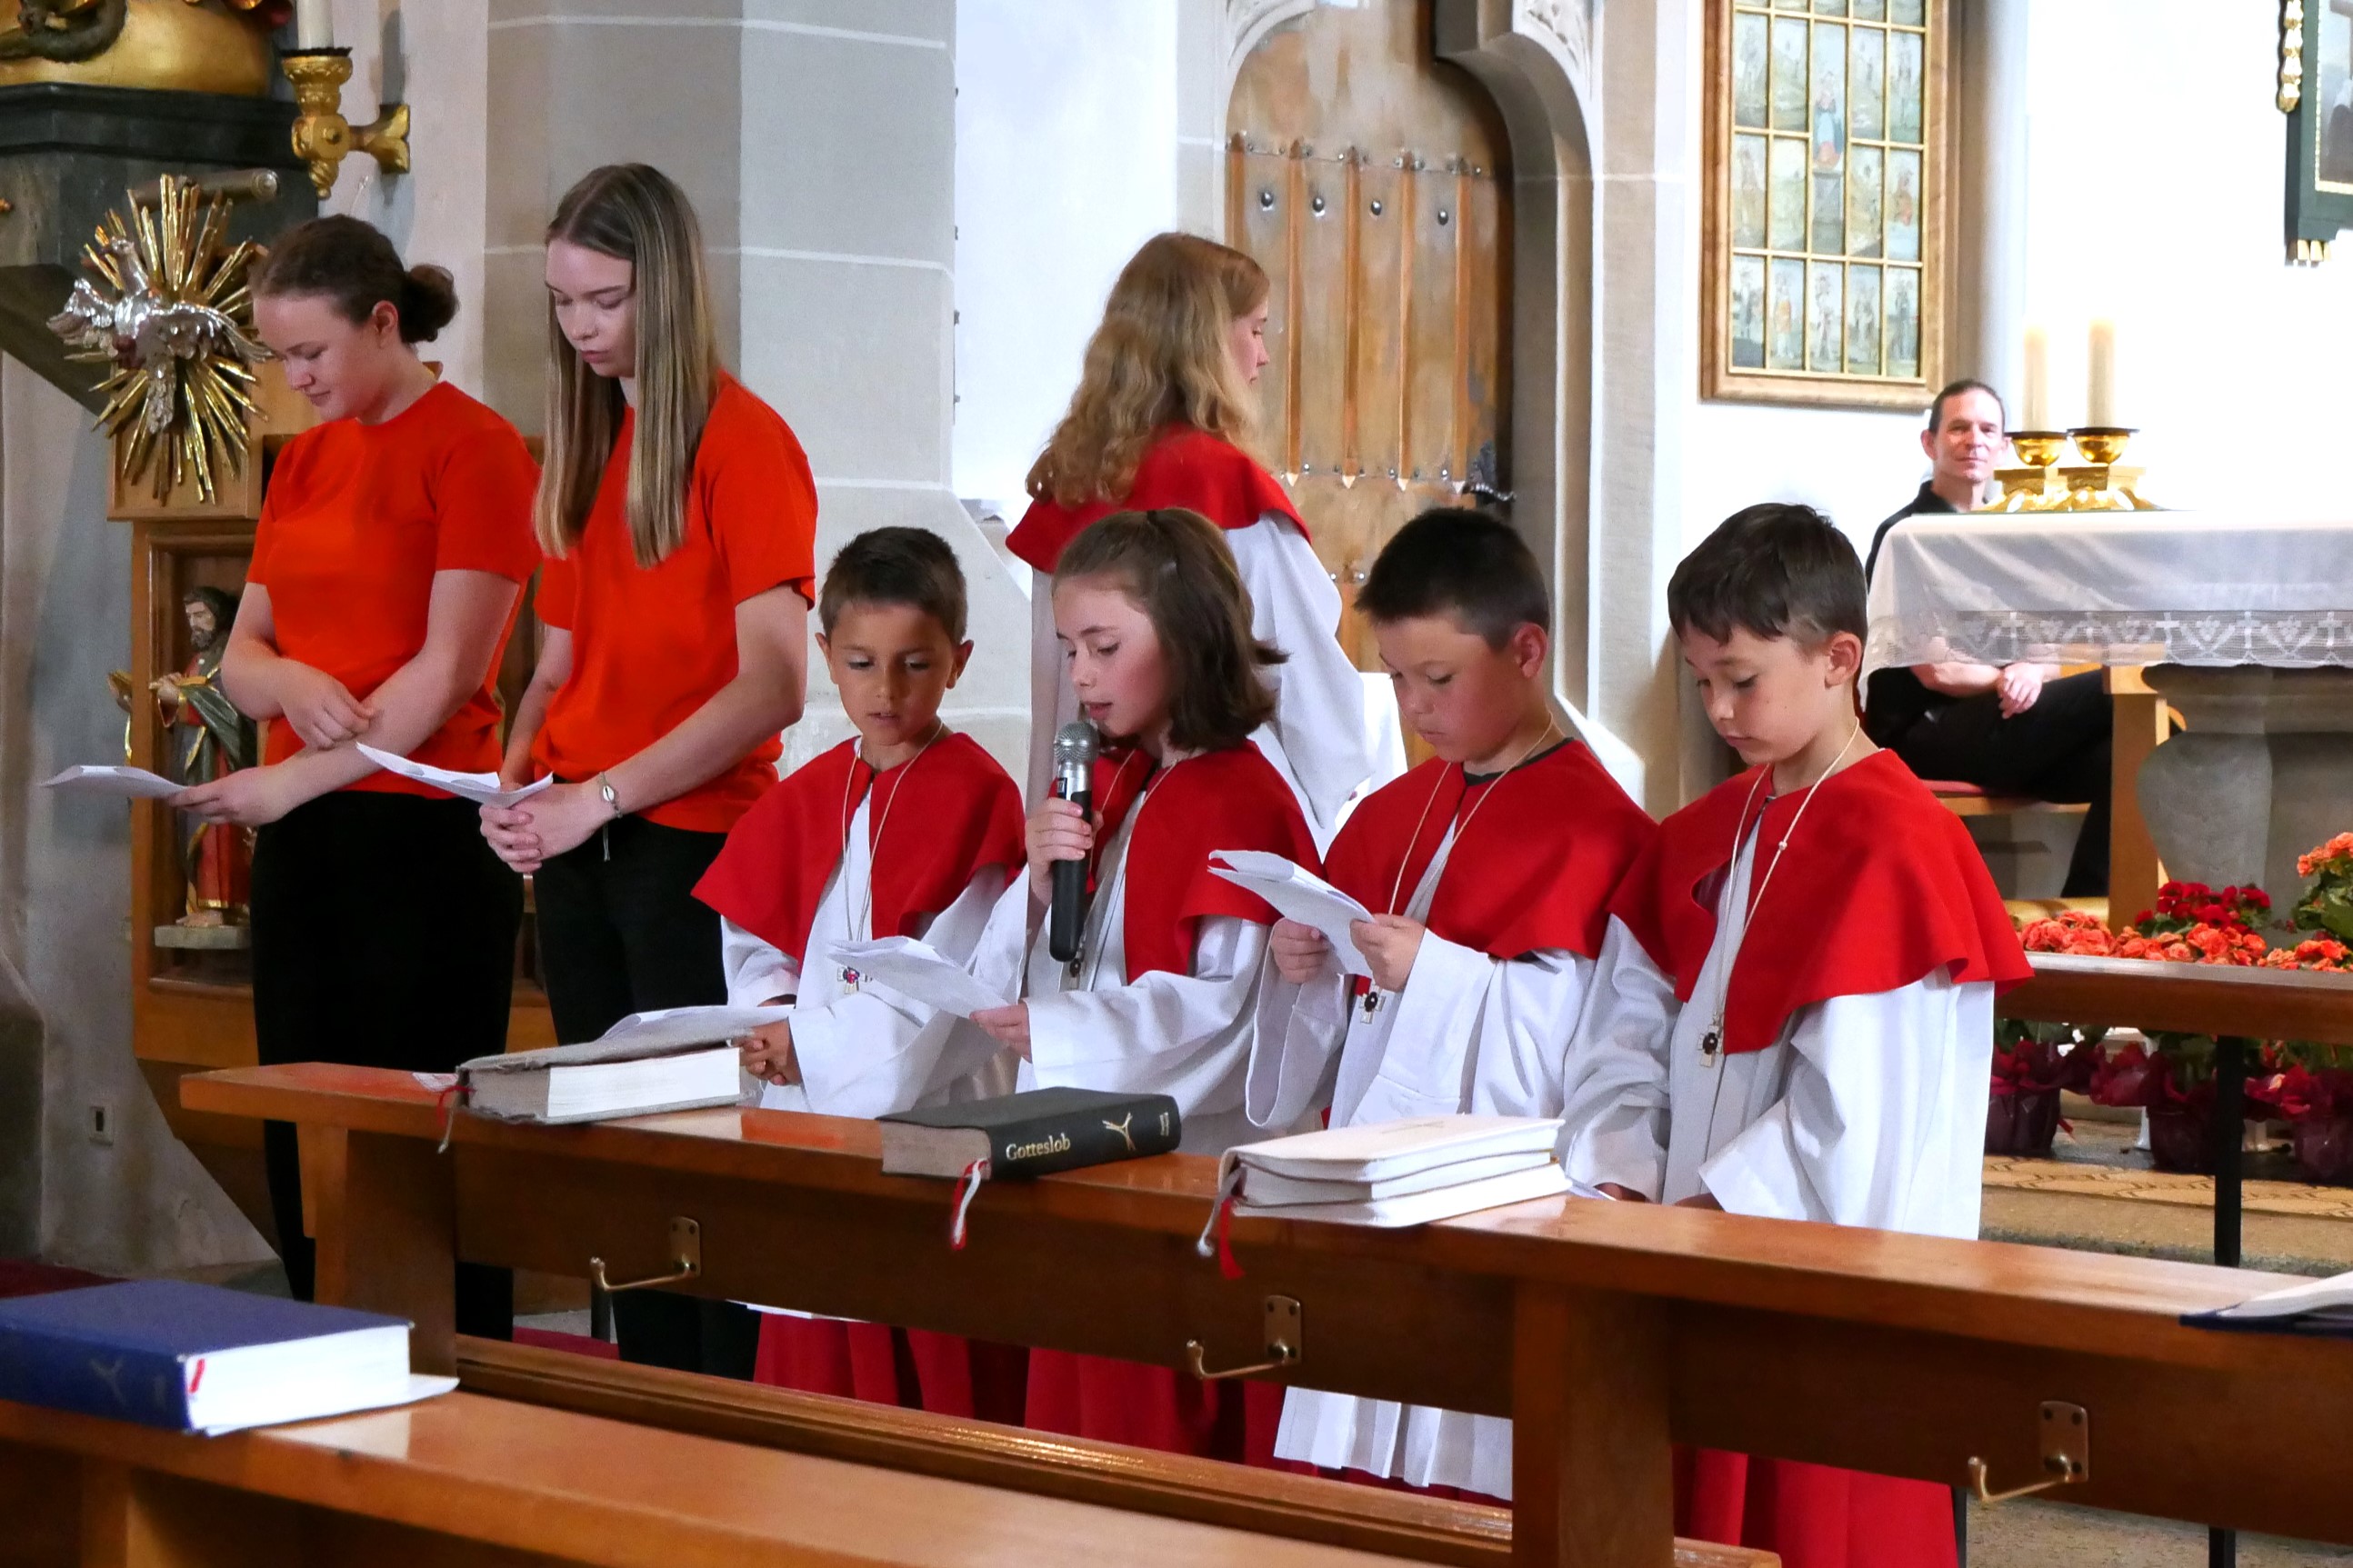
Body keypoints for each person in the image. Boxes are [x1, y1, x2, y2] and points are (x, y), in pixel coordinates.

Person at [1559, 503, 2029, 1568]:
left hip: (1813, 1287)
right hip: (1680, 1259)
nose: (1718, 709)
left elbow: (1859, 1119)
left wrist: (1709, 1215)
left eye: (1740, 678)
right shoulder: (1703, 834)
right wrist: (1627, 1176)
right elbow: (1623, 1032)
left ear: (1838, 660)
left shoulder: (1895, 846)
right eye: (1698, 682)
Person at [173, 215, 541, 1338]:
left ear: (385, 324)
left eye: (312, 355)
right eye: (280, 358)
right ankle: (316, 1343)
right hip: (311, 838)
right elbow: (238, 655)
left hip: (421, 836)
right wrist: (285, 679)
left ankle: (463, 1370)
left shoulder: (475, 446)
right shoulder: (305, 459)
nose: (294, 379)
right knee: (301, 1115)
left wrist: (290, 781)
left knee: (420, 1130)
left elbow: (451, 668)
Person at [479, 163, 815, 1377]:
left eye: (606, 302)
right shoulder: (589, 446)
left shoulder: (745, 441)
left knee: (695, 1160)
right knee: (611, 1154)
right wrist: (516, 776)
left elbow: (774, 684)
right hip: (579, 843)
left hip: (693, 848)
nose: (582, 330)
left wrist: (599, 794)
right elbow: (558, 662)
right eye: (564, 304)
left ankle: (722, 1411)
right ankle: (646, 1409)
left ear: (666, 291)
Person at [1262, 509, 1657, 1502]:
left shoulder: (1590, 825)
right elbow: (1348, 1029)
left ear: (1525, 651)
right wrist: (1309, 957)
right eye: (1394, 679)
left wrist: (1433, 973)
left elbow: (1573, 1049)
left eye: (1436, 679)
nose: (1413, 707)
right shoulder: (1400, 808)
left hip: (1494, 1204)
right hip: (1374, 1193)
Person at [966, 506, 1328, 1460]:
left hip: (1181, 1183)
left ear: (1189, 635)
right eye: (1066, 647)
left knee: (1149, 1438)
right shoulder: (1124, 784)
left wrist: (1065, 1030)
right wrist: (1039, 891)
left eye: (1103, 645)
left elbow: (1226, 1009)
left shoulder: (1238, 796)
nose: (1077, 674)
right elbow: (1076, 954)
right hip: (1091, 1152)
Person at [692, 525, 1026, 1421]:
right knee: (814, 1365)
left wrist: (801, 1041)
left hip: (927, 1129)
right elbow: (758, 939)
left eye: (913, 664)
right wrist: (766, 1015)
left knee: (918, 1383)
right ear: (825, 659)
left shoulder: (975, 799)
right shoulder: (808, 794)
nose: (884, 690)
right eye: (860, 661)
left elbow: (946, 987)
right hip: (811, 1110)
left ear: (956, 661)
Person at [1006, 232, 1370, 845]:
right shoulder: (1228, 486)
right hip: (1217, 818)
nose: (1263, 355)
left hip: (1089, 819)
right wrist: (1322, 840)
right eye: (1255, 329)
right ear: (1205, 340)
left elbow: (1055, 708)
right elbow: (1306, 695)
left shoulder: (1069, 488)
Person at [1862, 378, 2112, 897]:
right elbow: (1936, 670)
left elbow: (2047, 651)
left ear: (2003, 448)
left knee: (2140, 757)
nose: (1973, 440)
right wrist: (2008, 675)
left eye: (1987, 429)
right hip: (1925, 731)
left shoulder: (2014, 535)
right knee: (2115, 690)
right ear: (1930, 443)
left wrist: (2030, 670)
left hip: (2006, 723)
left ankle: (2081, 917)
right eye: (1958, 427)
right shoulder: (1906, 536)